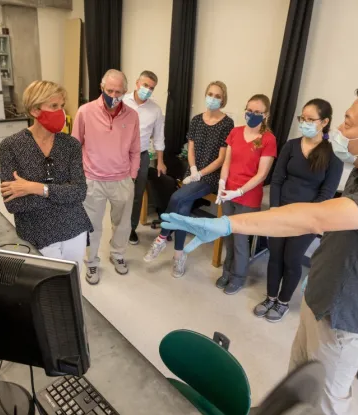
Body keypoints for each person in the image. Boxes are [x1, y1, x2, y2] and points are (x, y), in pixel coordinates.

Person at [159, 82, 358, 415]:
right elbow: (311, 226)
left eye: (348, 122)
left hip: (345, 320)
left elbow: (315, 217)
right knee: (298, 391)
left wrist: (229, 226)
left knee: (326, 411)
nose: (340, 129)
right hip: (318, 303)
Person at [254, 99, 342, 322]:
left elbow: (327, 193)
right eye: (302, 118)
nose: (304, 123)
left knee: (291, 259)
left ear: (324, 122)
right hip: (280, 212)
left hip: (307, 218)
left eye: (310, 119)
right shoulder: (291, 145)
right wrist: (274, 209)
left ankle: (283, 302)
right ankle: (270, 297)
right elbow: (277, 179)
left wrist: (306, 217)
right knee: (275, 256)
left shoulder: (333, 155)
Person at [144, 81, 234, 278]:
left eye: (217, 96)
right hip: (192, 173)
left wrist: (200, 174)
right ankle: (178, 257)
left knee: (176, 198)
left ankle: (162, 237)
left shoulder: (227, 123)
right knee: (183, 208)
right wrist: (192, 169)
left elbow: (221, 159)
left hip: (210, 176)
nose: (212, 98)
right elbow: (191, 148)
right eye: (210, 93)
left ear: (223, 99)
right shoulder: (196, 120)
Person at [0, 80, 92, 268]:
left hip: (73, 227)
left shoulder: (71, 145)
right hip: (36, 232)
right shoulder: (11, 146)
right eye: (54, 106)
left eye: (62, 106)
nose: (62, 112)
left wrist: (34, 188)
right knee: (48, 289)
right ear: (35, 110)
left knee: (72, 283)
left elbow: (79, 192)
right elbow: (14, 203)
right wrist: (62, 194)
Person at [72, 69, 140, 285]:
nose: (113, 95)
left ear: (125, 91)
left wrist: (132, 175)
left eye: (118, 91)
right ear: (102, 88)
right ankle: (91, 261)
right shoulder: (85, 112)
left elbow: (136, 149)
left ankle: (118, 255)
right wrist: (78, 177)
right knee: (92, 224)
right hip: (93, 179)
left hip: (121, 180)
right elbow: (75, 146)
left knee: (122, 224)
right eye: (109, 90)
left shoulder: (132, 116)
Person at [216, 94, 276, 295]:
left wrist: (239, 191)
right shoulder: (235, 132)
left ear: (265, 115)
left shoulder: (268, 139)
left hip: (248, 197)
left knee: (241, 241)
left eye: (258, 112)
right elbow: (227, 162)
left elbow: (262, 174)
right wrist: (222, 184)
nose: (252, 115)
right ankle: (226, 271)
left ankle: (238, 277)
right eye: (249, 110)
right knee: (228, 237)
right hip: (227, 193)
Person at [123, 70, 166, 245]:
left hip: (141, 155)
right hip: (119, 155)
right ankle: (118, 227)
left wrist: (161, 161)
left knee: (136, 194)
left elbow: (158, 137)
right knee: (118, 193)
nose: (147, 90)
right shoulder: (122, 101)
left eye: (151, 87)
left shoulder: (155, 110)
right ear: (137, 83)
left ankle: (131, 228)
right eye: (145, 85)